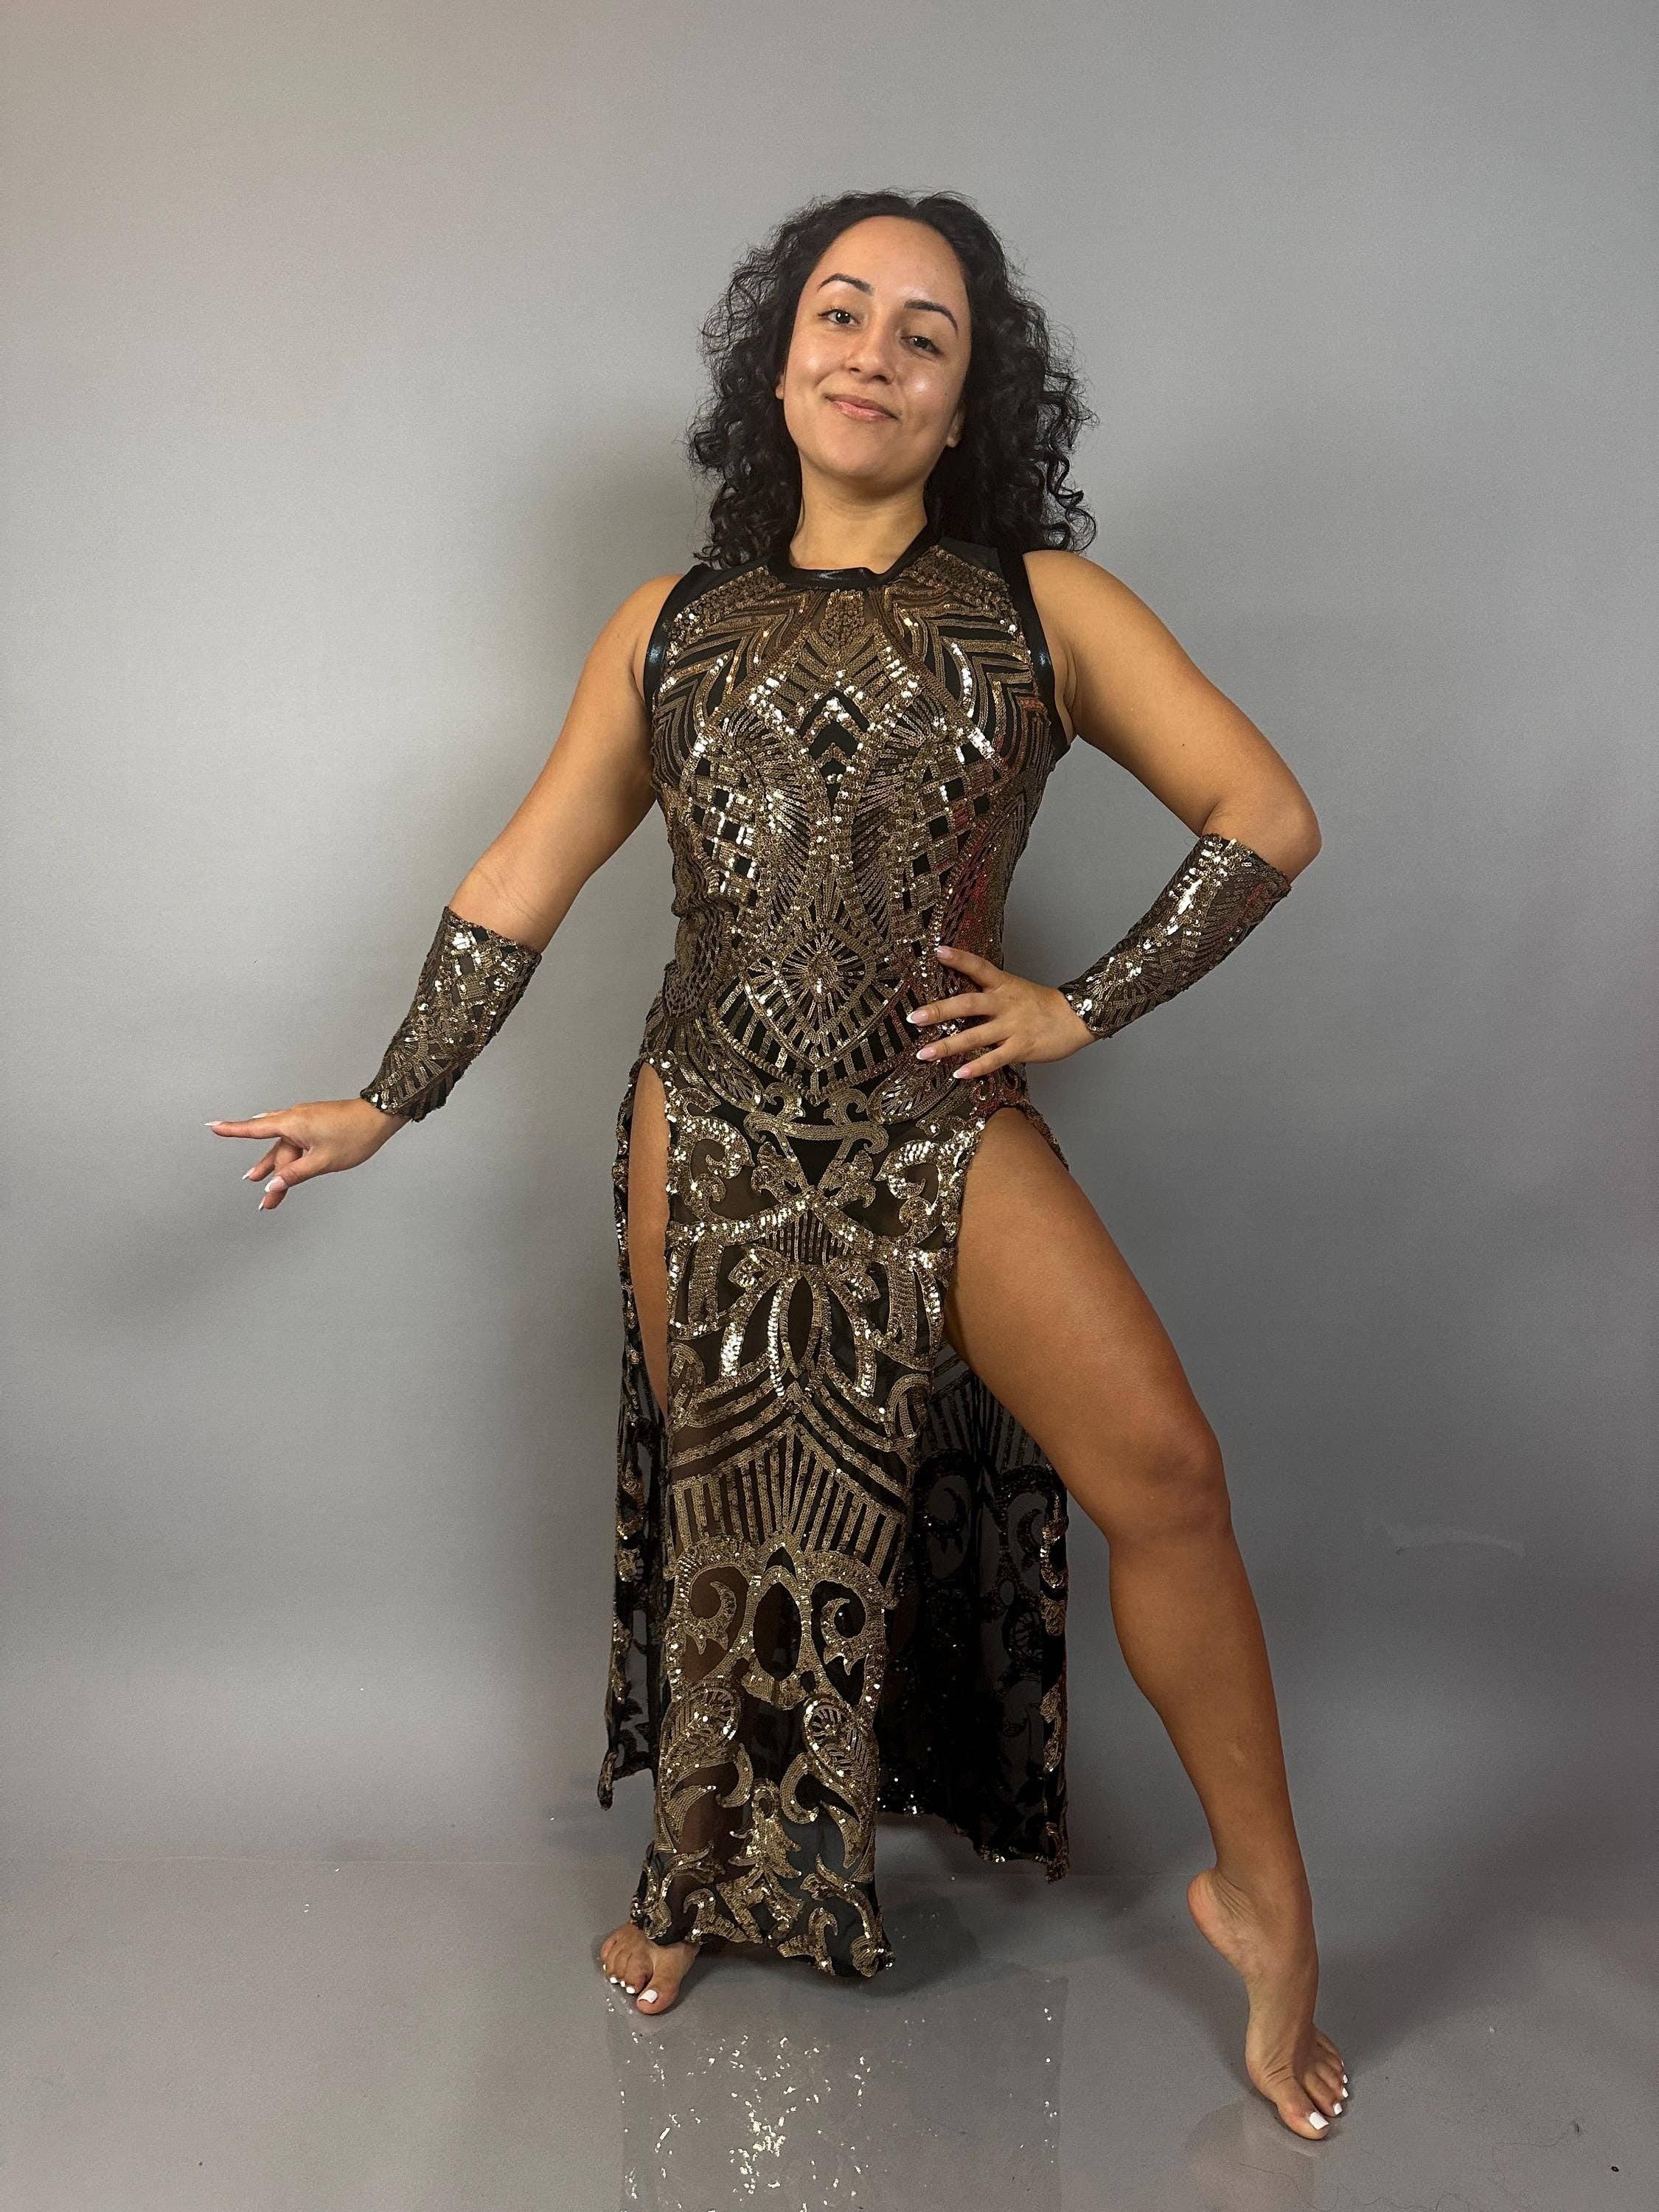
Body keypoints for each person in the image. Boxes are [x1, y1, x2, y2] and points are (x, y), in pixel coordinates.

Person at [208, 190, 1348, 2140]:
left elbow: (1266, 816)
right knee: (732, 1526)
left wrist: (1083, 1004)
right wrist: (389, 1100)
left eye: (924, 333)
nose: (871, 354)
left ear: (969, 399)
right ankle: (703, 1881)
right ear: (778, 357)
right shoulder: (666, 627)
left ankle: (1268, 1905)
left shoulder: (1040, 607)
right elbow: (524, 874)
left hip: (938, 1118)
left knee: (1164, 1472)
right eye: (840, 313)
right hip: (710, 1122)